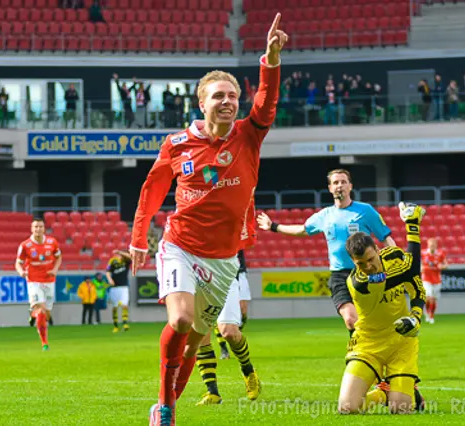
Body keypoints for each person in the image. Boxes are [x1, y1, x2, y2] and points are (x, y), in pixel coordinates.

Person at [129, 14, 286, 426]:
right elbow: (152, 189)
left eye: (233, 95)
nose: (228, 101)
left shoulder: (249, 135)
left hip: (224, 261)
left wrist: (270, 60)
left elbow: (266, 100)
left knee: (194, 341)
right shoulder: (178, 144)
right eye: (219, 95)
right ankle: (165, 409)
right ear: (202, 103)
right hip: (180, 245)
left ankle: (168, 404)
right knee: (179, 320)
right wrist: (138, 237)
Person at [256, 168, 396, 335]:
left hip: (365, 272)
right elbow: (302, 230)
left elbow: (385, 237)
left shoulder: (365, 211)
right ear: (330, 188)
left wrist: (397, 260)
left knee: (370, 320)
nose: (339, 186)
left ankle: (365, 352)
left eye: (343, 182)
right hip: (340, 275)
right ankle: (360, 353)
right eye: (335, 182)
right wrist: (273, 227)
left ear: (350, 186)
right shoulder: (325, 215)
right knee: (351, 319)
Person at [339, 202, 426, 415]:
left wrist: (415, 317)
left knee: (401, 410)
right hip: (368, 344)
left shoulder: (394, 256)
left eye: (370, 259)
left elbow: (416, 288)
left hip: (401, 343)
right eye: (361, 264)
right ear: (353, 263)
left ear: (378, 250)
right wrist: (412, 225)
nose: (368, 267)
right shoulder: (358, 283)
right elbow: (411, 268)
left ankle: (394, 391)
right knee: (348, 408)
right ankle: (383, 392)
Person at [196, 249, 260, 405]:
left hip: (224, 274)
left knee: (229, 331)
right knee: (200, 334)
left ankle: (248, 369)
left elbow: (244, 240)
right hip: (196, 274)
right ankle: (212, 392)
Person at [15, 218, 62, 351]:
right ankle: (44, 343)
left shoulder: (52, 242)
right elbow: (18, 262)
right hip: (34, 281)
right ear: (32, 229)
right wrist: (21, 271)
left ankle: (33, 314)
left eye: (40, 227)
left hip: (49, 281)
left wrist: (55, 270)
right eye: (35, 227)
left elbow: (59, 256)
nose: (38, 229)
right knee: (41, 310)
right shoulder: (25, 245)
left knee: (46, 313)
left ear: (44, 228)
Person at [214, 249, 251, 360]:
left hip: (240, 272)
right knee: (218, 314)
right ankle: (224, 347)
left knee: (243, 311)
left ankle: (236, 337)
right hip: (223, 272)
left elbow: (249, 242)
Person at [421, 237, 448, 324]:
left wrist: (442, 266)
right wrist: (422, 268)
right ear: (428, 245)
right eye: (430, 245)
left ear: (436, 245)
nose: (432, 247)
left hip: (437, 279)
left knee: (434, 299)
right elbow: (420, 264)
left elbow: (446, 264)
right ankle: (429, 316)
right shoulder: (423, 253)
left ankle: (431, 314)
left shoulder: (440, 253)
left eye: (433, 245)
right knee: (429, 297)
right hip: (426, 278)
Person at [106, 249, 132, 333]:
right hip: (114, 288)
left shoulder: (126, 261)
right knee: (115, 307)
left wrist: (119, 252)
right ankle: (116, 326)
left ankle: (125, 323)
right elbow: (107, 271)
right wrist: (110, 279)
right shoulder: (113, 261)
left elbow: (131, 257)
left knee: (125, 305)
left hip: (124, 287)